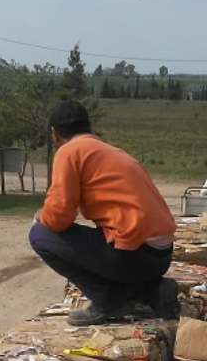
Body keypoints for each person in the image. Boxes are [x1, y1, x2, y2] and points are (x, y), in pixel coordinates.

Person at [29, 100, 180, 326]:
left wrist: (41, 216)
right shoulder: (111, 152)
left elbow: (59, 216)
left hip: (134, 256)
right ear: (88, 128)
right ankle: (152, 291)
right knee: (105, 238)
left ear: (54, 134)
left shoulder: (69, 151)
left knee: (40, 235)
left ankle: (109, 301)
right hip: (161, 255)